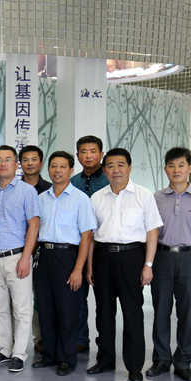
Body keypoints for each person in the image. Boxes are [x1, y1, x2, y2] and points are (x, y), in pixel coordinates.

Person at [87, 148, 163, 381]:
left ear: (129, 168)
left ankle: (134, 366)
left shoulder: (143, 195)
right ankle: (105, 360)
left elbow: (152, 232)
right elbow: (91, 236)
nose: (116, 170)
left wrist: (148, 264)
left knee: (132, 313)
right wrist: (89, 266)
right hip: (102, 258)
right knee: (104, 312)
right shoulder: (97, 197)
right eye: (110, 166)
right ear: (104, 170)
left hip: (132, 258)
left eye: (121, 165)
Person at [147, 147, 191, 381]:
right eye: (171, 165)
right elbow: (150, 233)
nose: (176, 170)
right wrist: (148, 264)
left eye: (181, 165)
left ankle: (184, 362)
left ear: (189, 168)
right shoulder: (155, 198)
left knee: (187, 314)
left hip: (190, 259)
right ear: (165, 169)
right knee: (161, 312)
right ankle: (161, 360)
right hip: (162, 259)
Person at [30, 152, 96, 376]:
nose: (57, 170)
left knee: (68, 311)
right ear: (48, 169)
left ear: (71, 170)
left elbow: (86, 236)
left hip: (68, 257)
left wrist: (78, 269)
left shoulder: (80, 199)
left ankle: (67, 359)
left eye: (62, 166)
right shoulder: (40, 199)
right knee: (45, 308)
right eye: (53, 166)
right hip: (44, 256)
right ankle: (50, 354)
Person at [0, 145, 40, 373]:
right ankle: (4, 350)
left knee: (22, 309)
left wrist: (26, 257)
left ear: (16, 164)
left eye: (8, 159)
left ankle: (19, 354)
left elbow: (34, 225)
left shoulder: (27, 191)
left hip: (17, 257)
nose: (3, 163)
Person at [70, 135, 109, 354]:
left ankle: (105, 345)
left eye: (93, 151)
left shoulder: (109, 179)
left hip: (103, 248)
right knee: (78, 297)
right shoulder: (73, 182)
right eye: (84, 152)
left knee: (104, 300)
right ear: (78, 156)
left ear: (101, 154)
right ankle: (80, 339)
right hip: (78, 248)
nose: (88, 156)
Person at [19, 144, 51, 357]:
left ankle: (40, 339)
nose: (30, 163)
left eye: (34, 159)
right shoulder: (12, 187)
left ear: (41, 162)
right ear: (20, 163)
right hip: (17, 252)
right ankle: (15, 342)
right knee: (17, 300)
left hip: (42, 252)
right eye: (25, 160)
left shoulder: (50, 189)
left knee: (40, 298)